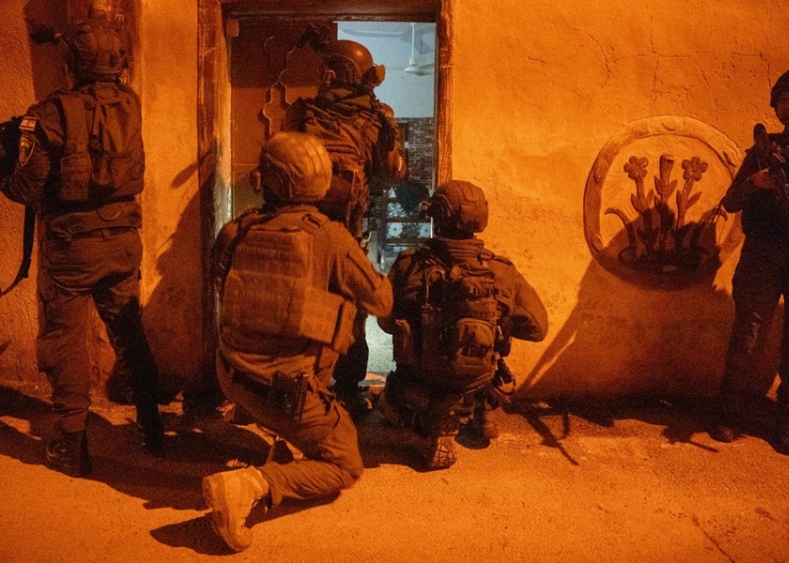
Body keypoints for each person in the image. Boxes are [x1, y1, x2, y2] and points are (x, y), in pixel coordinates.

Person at [203, 131, 393, 552]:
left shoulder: (237, 228)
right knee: (345, 465)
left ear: (266, 180)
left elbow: (222, 287)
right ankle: (250, 485)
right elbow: (382, 301)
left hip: (231, 374)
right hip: (285, 393)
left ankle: (269, 427)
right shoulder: (329, 236)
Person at [0, 17, 164, 477]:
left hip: (72, 248)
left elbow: (26, 188)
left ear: (73, 63)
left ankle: (71, 444)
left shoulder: (49, 113)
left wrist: (5, 166)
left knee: (65, 341)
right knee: (129, 331)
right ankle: (152, 428)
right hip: (123, 240)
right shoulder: (129, 103)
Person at [377, 180, 548, 469]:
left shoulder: (409, 264)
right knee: (489, 355)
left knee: (391, 398)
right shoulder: (500, 271)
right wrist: (499, 320)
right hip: (477, 376)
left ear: (437, 215)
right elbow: (538, 329)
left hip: (422, 376)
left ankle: (425, 418)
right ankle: (483, 408)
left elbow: (384, 321)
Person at [283, 24, 408, 414]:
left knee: (299, 305)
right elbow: (394, 175)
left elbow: (278, 166)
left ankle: (295, 385)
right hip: (348, 234)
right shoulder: (374, 120)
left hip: (299, 233)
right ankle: (350, 391)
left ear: (331, 73)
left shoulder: (302, 113)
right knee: (350, 310)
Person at [709, 68, 789, 456]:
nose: (787, 107)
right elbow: (729, 202)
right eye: (783, 100)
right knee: (747, 336)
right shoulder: (763, 152)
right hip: (762, 253)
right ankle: (729, 414)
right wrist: (754, 183)